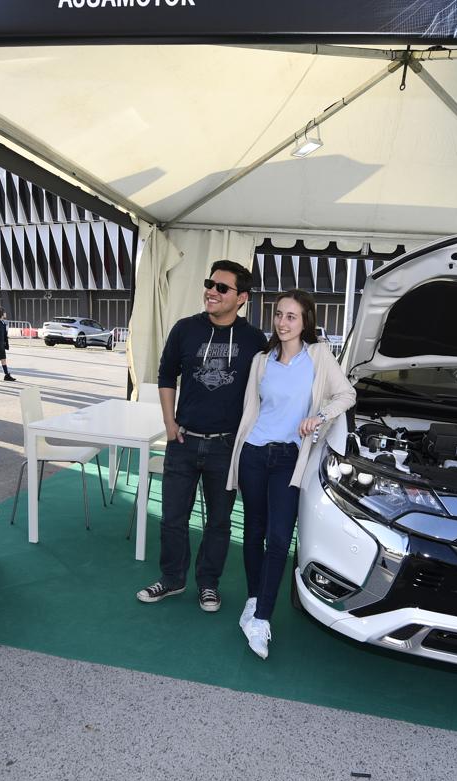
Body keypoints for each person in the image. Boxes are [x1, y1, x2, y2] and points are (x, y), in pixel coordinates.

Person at [226, 290, 355, 659]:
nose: (283, 322)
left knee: (280, 539)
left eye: (291, 317)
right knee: (254, 532)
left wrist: (320, 417)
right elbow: (252, 410)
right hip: (253, 454)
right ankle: (253, 601)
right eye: (279, 315)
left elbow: (346, 394)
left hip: (288, 459)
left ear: (305, 322)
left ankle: (263, 618)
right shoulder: (260, 361)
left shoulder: (317, 356)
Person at [136, 261, 267, 611]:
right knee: (172, 518)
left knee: (219, 522)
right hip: (183, 441)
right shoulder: (184, 329)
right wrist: (169, 422)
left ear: (241, 297)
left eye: (222, 287)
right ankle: (173, 579)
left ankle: (208, 584)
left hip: (225, 446)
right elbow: (166, 376)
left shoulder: (254, 340)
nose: (211, 290)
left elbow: (270, 388)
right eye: (210, 283)